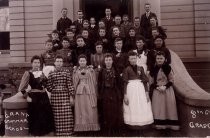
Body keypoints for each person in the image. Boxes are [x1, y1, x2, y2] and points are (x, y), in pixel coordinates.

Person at [18, 55, 54, 136]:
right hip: (34, 98)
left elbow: (47, 85)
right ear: (32, 63)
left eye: (38, 62)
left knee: (45, 118)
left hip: (44, 98)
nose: (37, 64)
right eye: (35, 62)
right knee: (36, 118)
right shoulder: (28, 73)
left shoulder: (42, 73)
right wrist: (27, 97)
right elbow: (21, 88)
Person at [123, 51, 153, 131]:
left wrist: (146, 93)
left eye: (134, 58)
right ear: (129, 60)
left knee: (141, 104)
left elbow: (144, 81)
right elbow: (125, 82)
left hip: (140, 89)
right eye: (131, 59)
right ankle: (132, 124)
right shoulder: (126, 69)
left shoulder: (140, 68)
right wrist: (125, 95)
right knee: (132, 105)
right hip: (131, 90)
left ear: (136, 59)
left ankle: (141, 123)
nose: (133, 60)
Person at [149, 51, 179, 130]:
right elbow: (151, 81)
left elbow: (172, 80)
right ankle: (159, 124)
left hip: (167, 90)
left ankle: (169, 124)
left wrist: (165, 86)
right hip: (157, 90)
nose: (159, 60)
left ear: (165, 59)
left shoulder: (168, 68)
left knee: (168, 106)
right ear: (155, 59)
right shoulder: (153, 68)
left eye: (161, 58)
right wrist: (157, 87)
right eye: (158, 58)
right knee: (158, 107)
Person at [46, 55, 75, 136]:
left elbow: (70, 84)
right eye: (57, 61)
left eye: (60, 61)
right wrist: (54, 88)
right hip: (55, 97)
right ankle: (58, 132)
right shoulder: (51, 73)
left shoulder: (66, 72)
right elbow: (48, 86)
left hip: (65, 96)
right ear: (54, 63)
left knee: (66, 113)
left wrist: (71, 96)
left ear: (62, 63)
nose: (59, 63)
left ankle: (68, 132)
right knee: (57, 115)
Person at [98, 53, 123, 136]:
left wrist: (120, 94)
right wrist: (100, 94)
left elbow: (120, 83)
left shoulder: (116, 70)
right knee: (106, 111)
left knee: (115, 111)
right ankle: (108, 129)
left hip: (114, 92)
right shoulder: (102, 71)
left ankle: (115, 129)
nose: (108, 62)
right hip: (105, 92)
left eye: (109, 60)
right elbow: (99, 83)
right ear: (104, 62)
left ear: (112, 61)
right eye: (106, 60)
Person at [73, 54, 100, 132]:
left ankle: (91, 127)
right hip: (79, 93)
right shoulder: (76, 70)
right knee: (81, 108)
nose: (82, 62)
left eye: (83, 61)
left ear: (86, 61)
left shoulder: (90, 70)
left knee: (89, 108)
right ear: (78, 62)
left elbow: (94, 81)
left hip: (89, 91)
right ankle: (81, 128)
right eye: (81, 61)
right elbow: (74, 82)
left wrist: (94, 92)